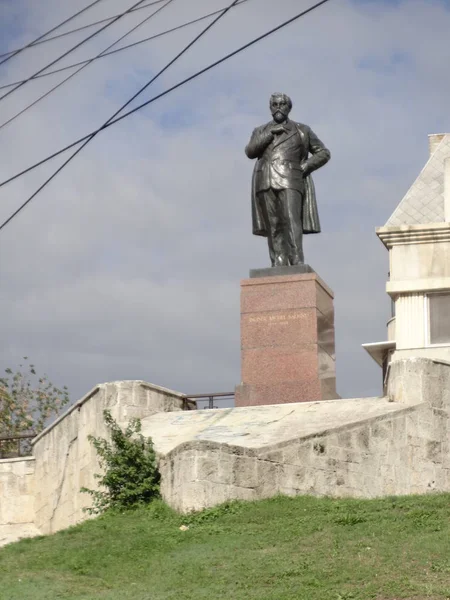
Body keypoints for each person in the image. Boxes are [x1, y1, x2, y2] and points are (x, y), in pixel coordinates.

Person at [245, 93, 330, 266]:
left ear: (288, 108)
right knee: (273, 224)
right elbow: (250, 151)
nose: (278, 107)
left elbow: (323, 152)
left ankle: (296, 259)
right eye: (274, 104)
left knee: (291, 220)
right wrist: (270, 134)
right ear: (270, 108)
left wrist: (305, 167)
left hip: (291, 178)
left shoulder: (302, 130)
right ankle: (278, 260)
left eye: (282, 104)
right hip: (265, 180)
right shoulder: (260, 130)